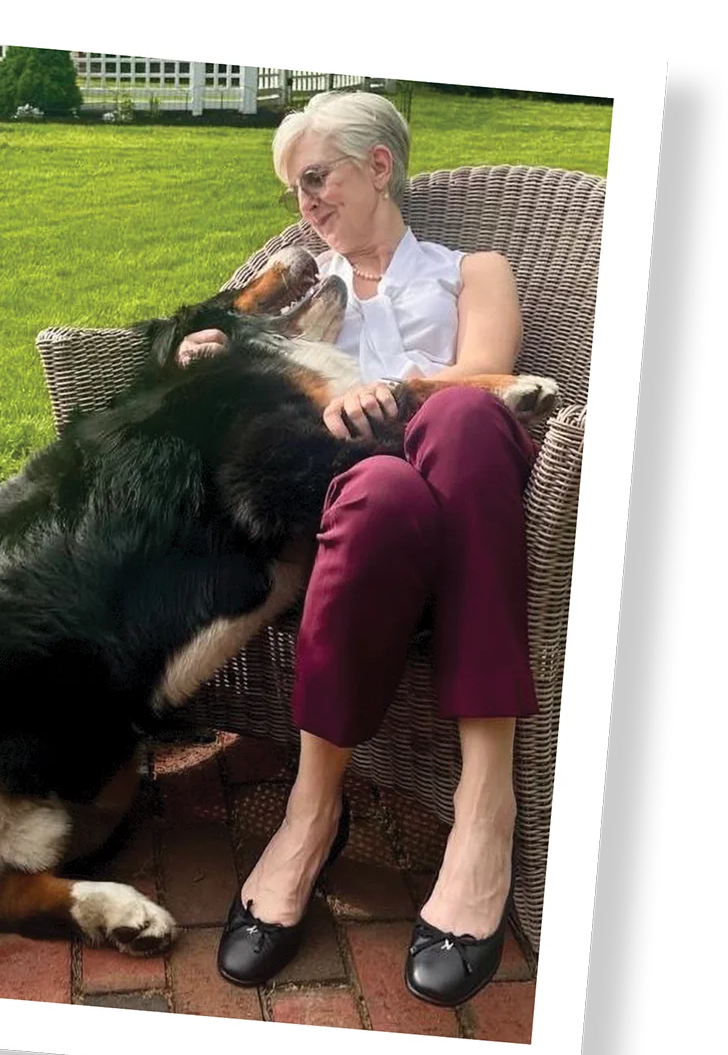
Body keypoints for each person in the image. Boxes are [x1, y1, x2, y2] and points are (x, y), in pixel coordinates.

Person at [176, 91, 539, 1007]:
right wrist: (223, 356)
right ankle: (312, 809)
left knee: (459, 412)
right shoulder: (301, 287)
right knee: (373, 491)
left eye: (316, 178)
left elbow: (491, 374)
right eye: (293, 190)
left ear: (378, 166)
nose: (304, 205)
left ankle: (482, 805)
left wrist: (387, 390)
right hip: (350, 487)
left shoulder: (473, 269)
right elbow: (241, 391)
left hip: (464, 461)